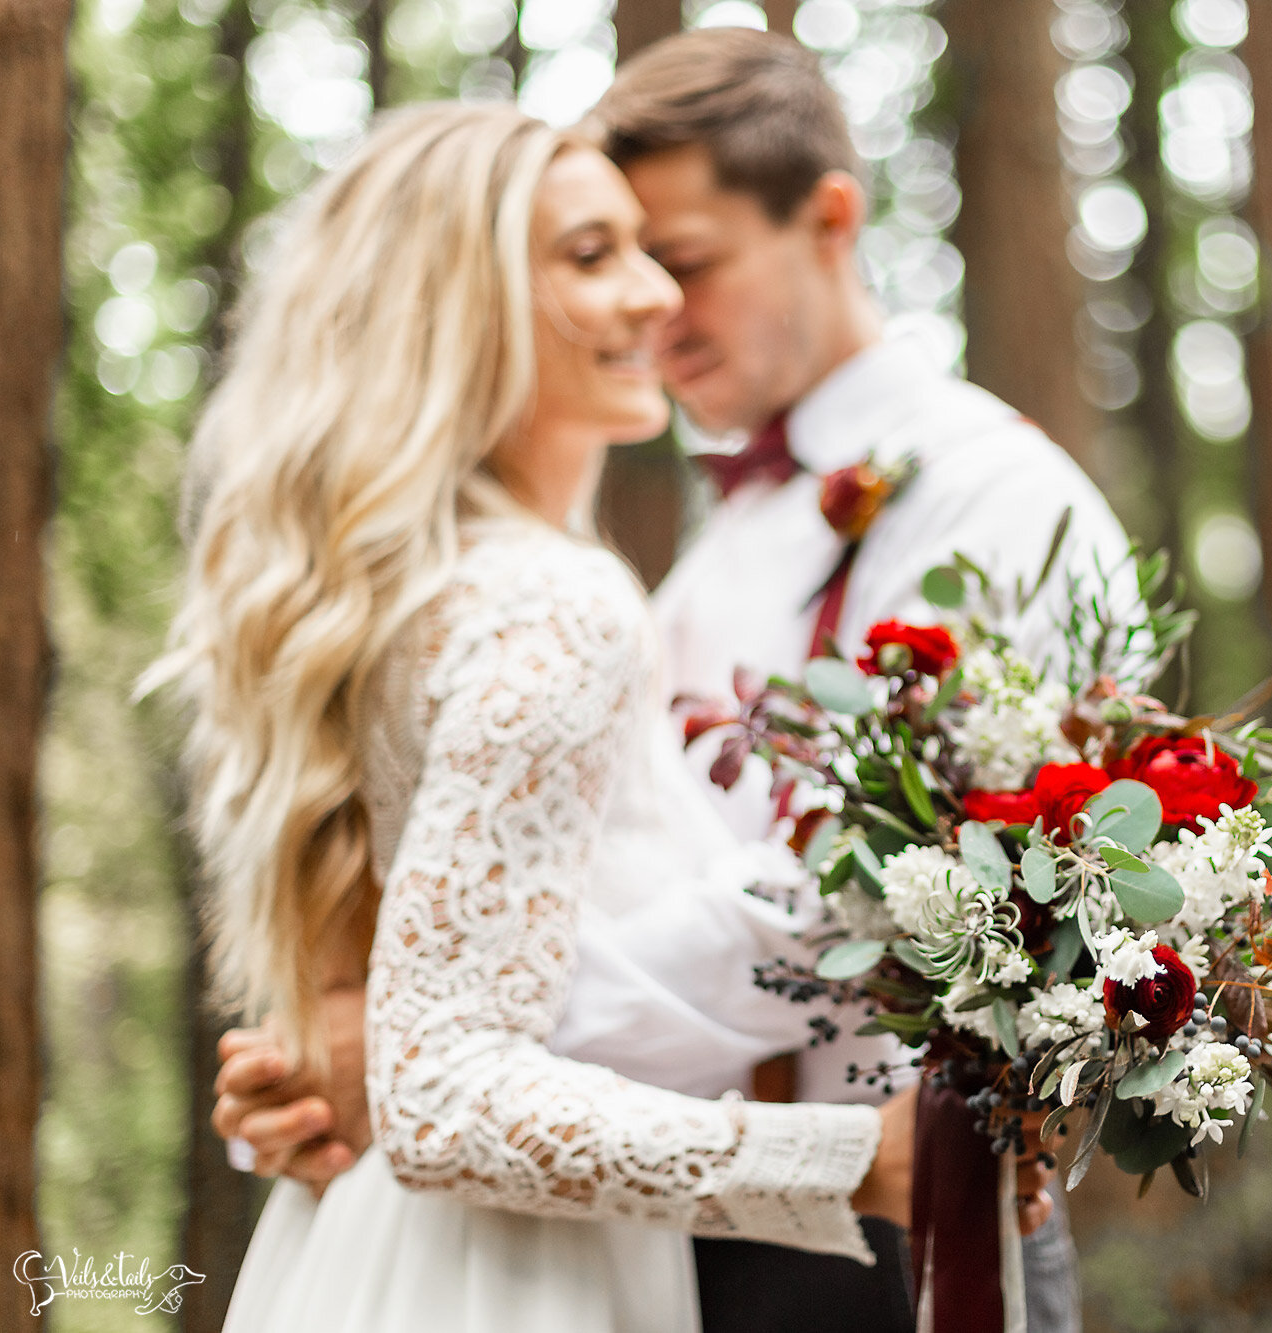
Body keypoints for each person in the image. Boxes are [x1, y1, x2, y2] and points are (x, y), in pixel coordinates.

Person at [217, 29, 1136, 1332]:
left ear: (828, 220)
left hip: (887, 1220)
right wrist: (378, 1030)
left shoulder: (993, 496)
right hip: (674, 1209)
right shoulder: (672, 565)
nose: (655, 299)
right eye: (602, 255)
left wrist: (454, 1034)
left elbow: (904, 886)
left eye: (682, 258)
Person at [159, 102, 925, 1333]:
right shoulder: (551, 599)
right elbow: (447, 1091)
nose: (652, 297)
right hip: (512, 1276)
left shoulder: (418, 586)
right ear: (453, 302)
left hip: (363, 1246)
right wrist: (855, 1164)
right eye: (588, 256)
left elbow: (407, 1009)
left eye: (647, 251)